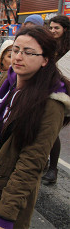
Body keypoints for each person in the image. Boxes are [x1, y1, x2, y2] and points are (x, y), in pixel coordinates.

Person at [0, 26, 70, 229]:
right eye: (16, 50)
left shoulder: (51, 103)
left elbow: (30, 165)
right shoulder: (6, 79)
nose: (19, 57)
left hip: (4, 195)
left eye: (28, 52)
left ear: (45, 60)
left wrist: (4, 217)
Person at [42, 15, 70, 185]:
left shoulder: (67, 50)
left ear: (65, 29)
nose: (52, 31)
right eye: (51, 28)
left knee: (53, 130)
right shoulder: (49, 45)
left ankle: (53, 169)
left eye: (56, 28)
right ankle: (43, 161)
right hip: (46, 90)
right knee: (43, 128)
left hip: (63, 95)